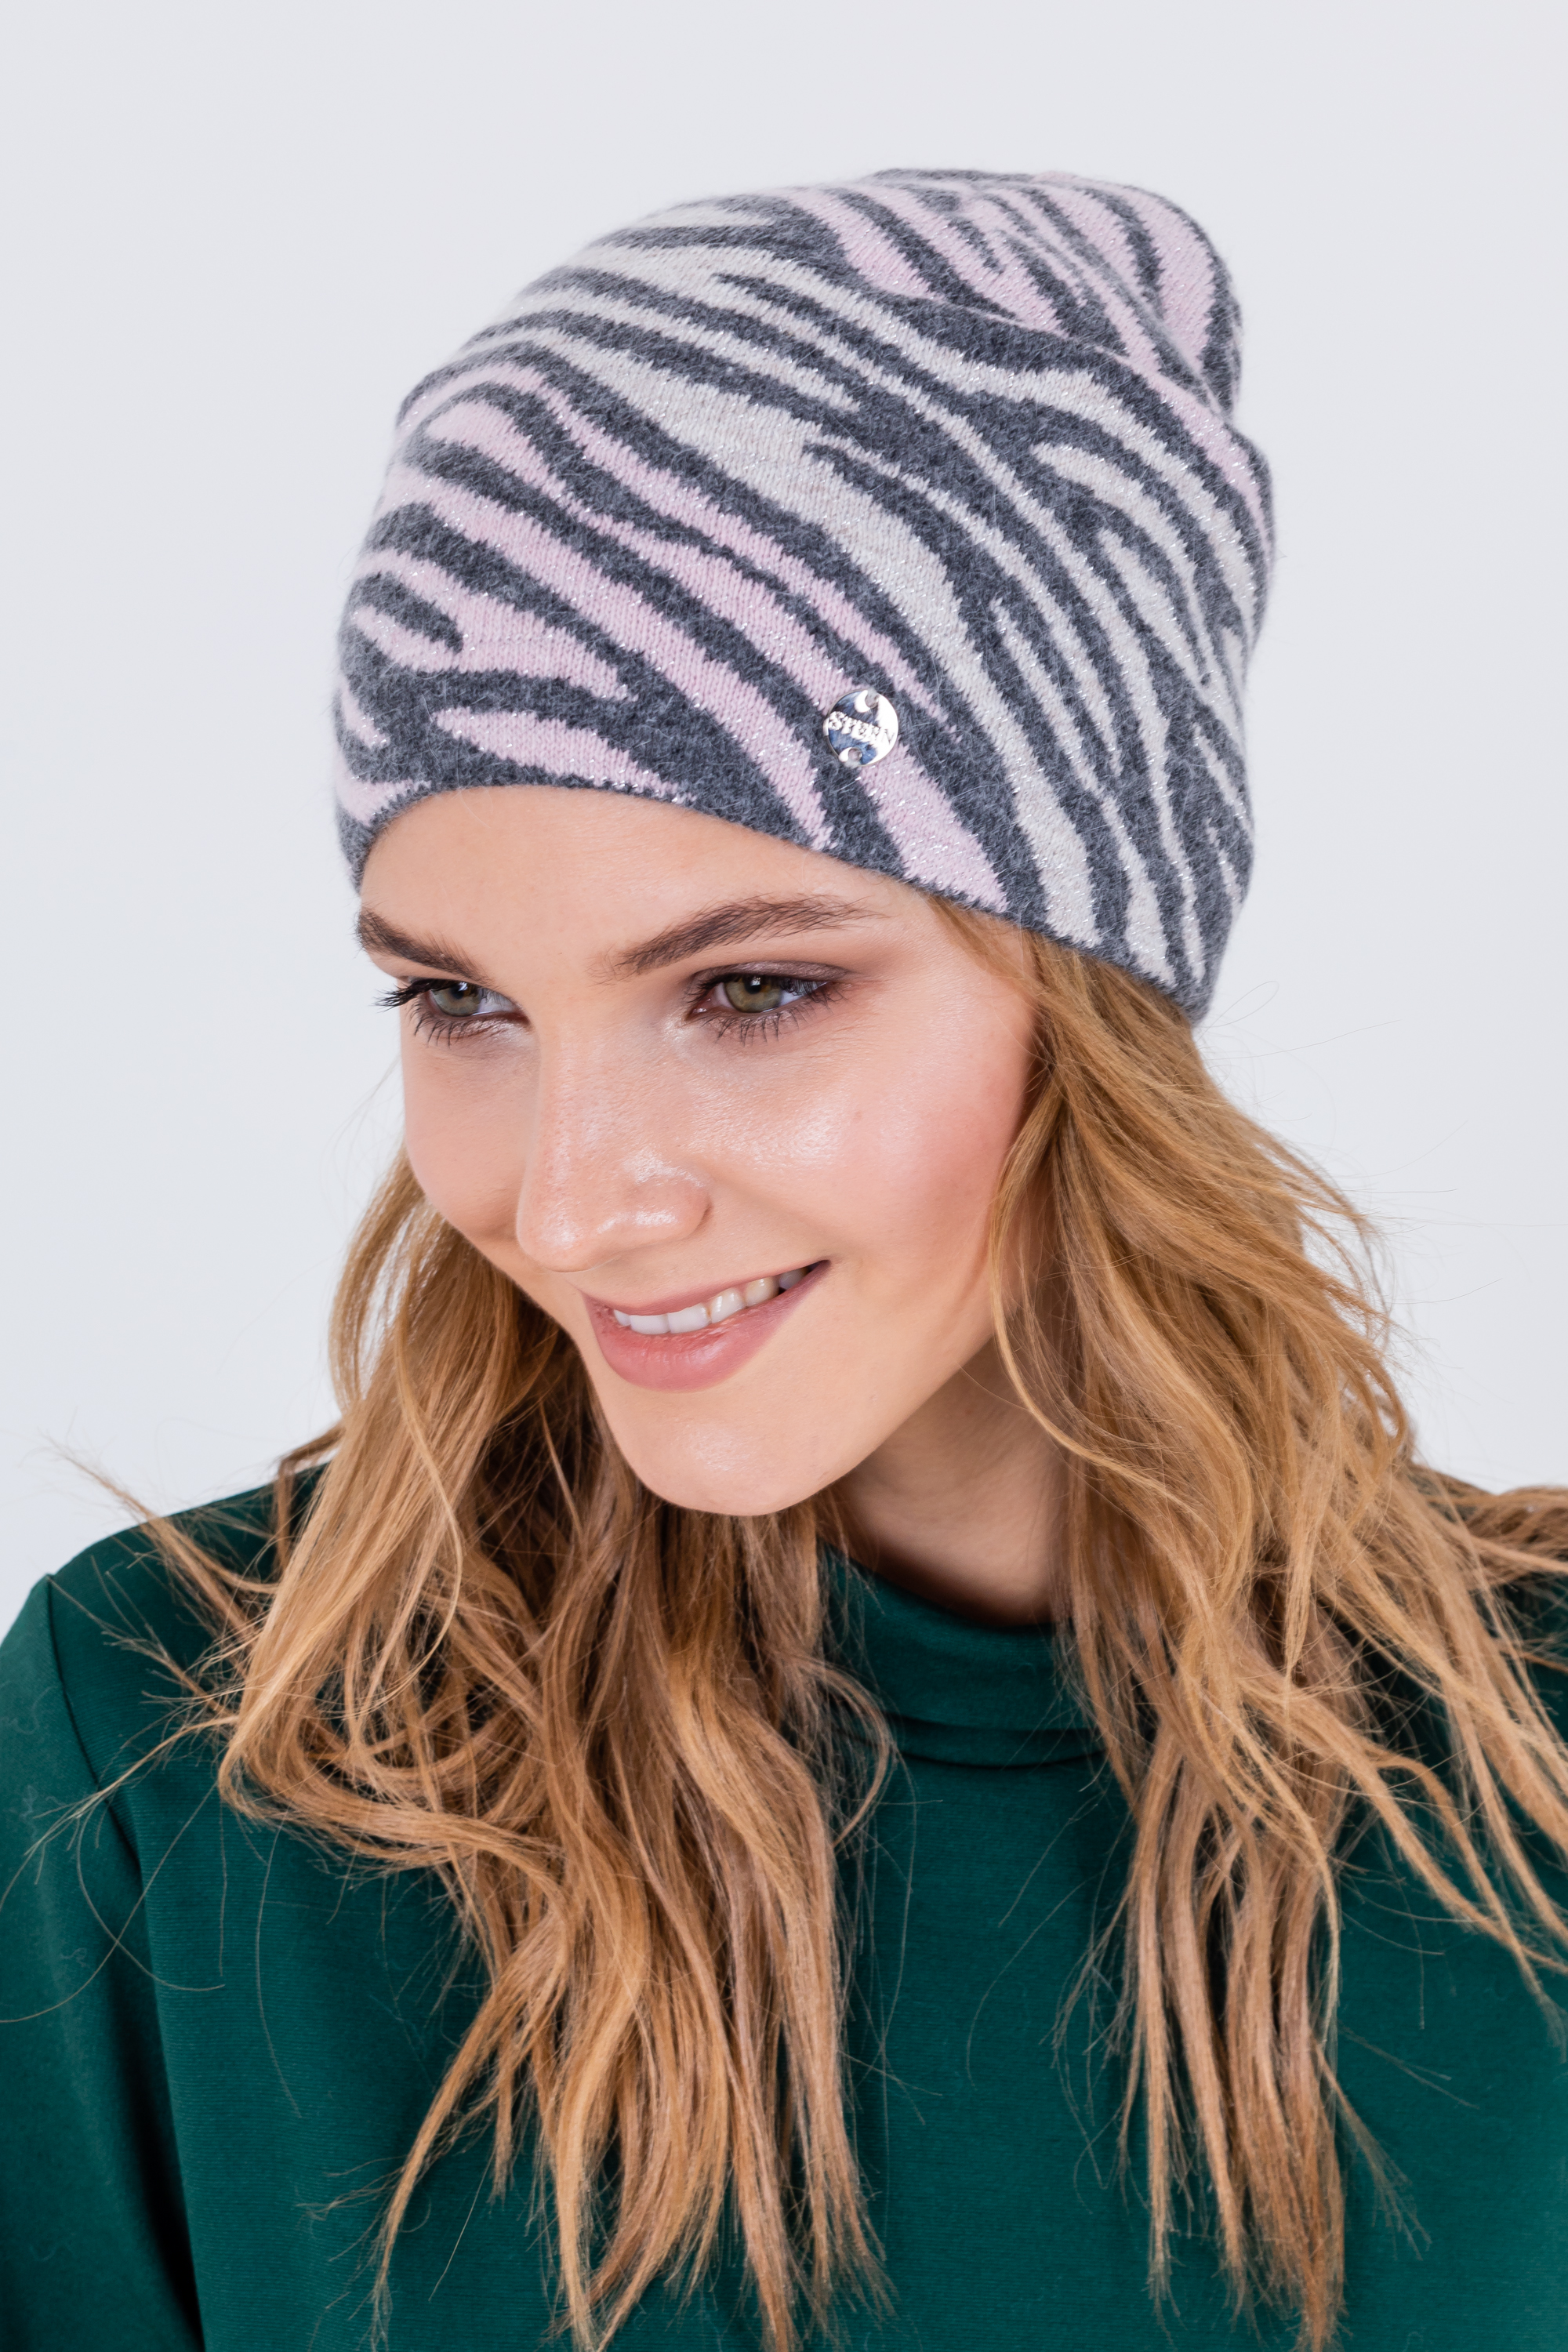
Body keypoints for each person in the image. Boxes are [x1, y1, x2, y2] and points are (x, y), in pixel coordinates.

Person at [3, 170, 1566, 2352]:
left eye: (749, 990)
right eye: (461, 1002)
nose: (572, 1205)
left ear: (1096, 987)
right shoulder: (180, 1757)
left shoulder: (1529, 1783)